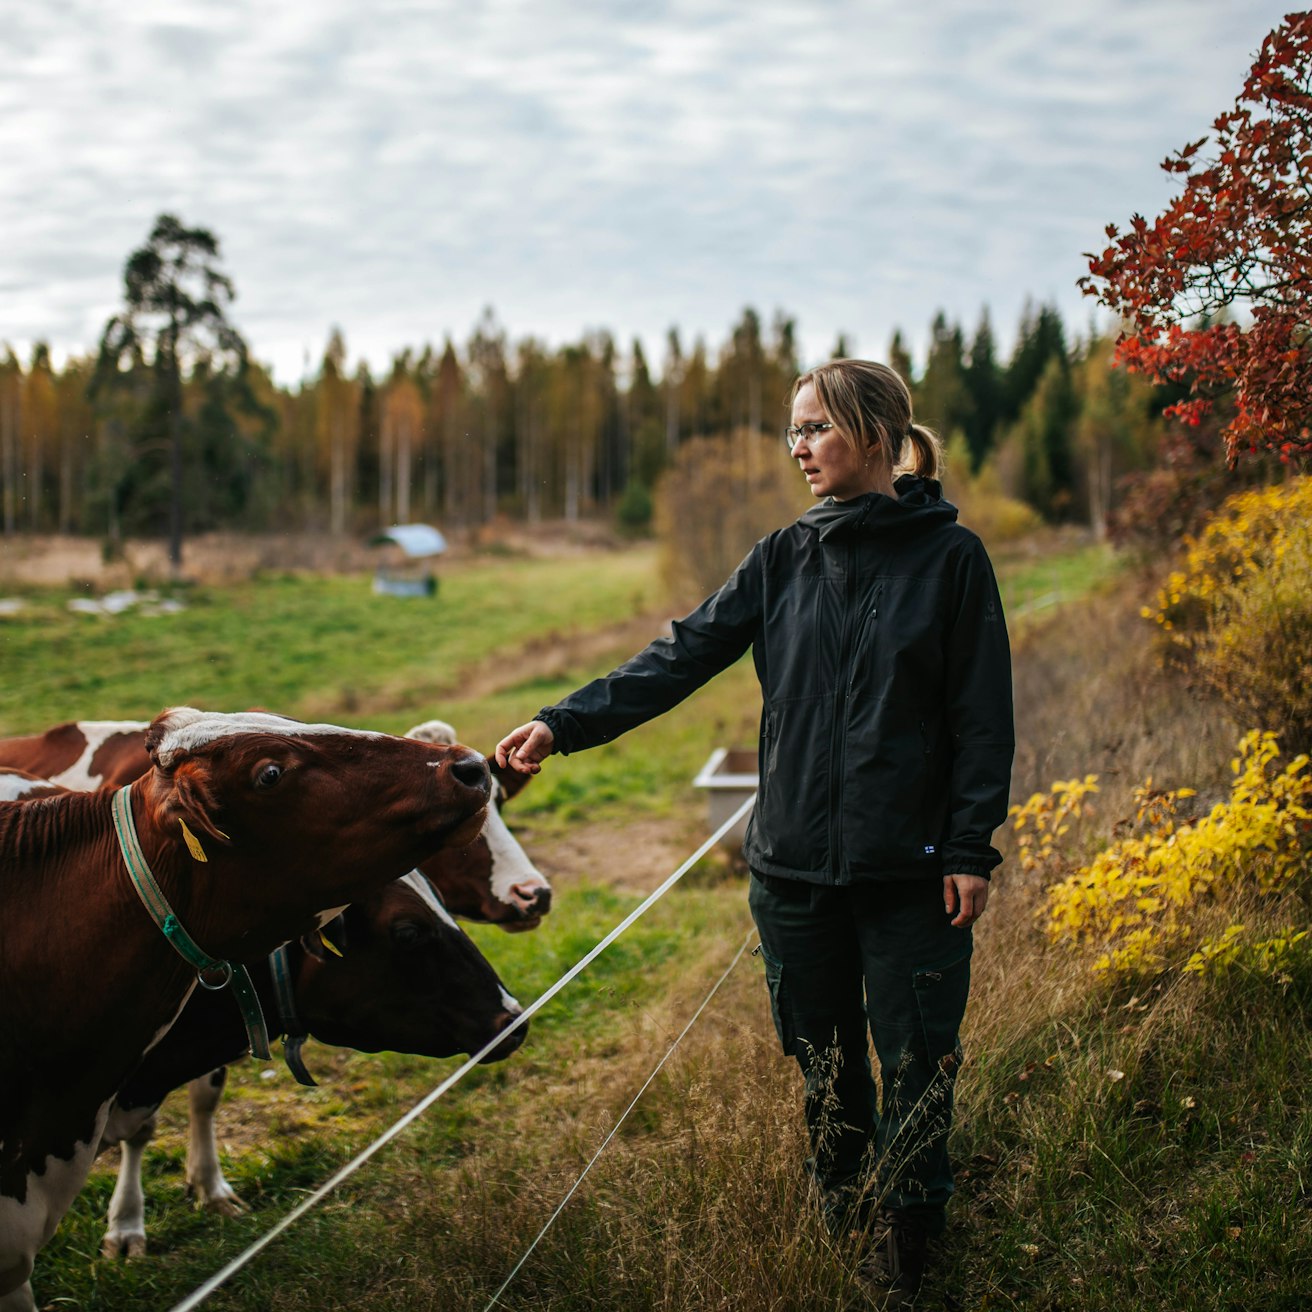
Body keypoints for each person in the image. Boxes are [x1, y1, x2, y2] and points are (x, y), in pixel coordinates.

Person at [495, 358, 1013, 1307]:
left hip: (913, 876)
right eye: (793, 431)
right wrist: (562, 722)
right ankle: (840, 1210)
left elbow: (984, 721)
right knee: (822, 1066)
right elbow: (682, 654)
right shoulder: (782, 556)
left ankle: (911, 1259)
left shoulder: (952, 560)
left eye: (814, 427)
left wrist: (974, 849)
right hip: (792, 876)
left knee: (919, 1067)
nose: (799, 447)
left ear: (871, 432)